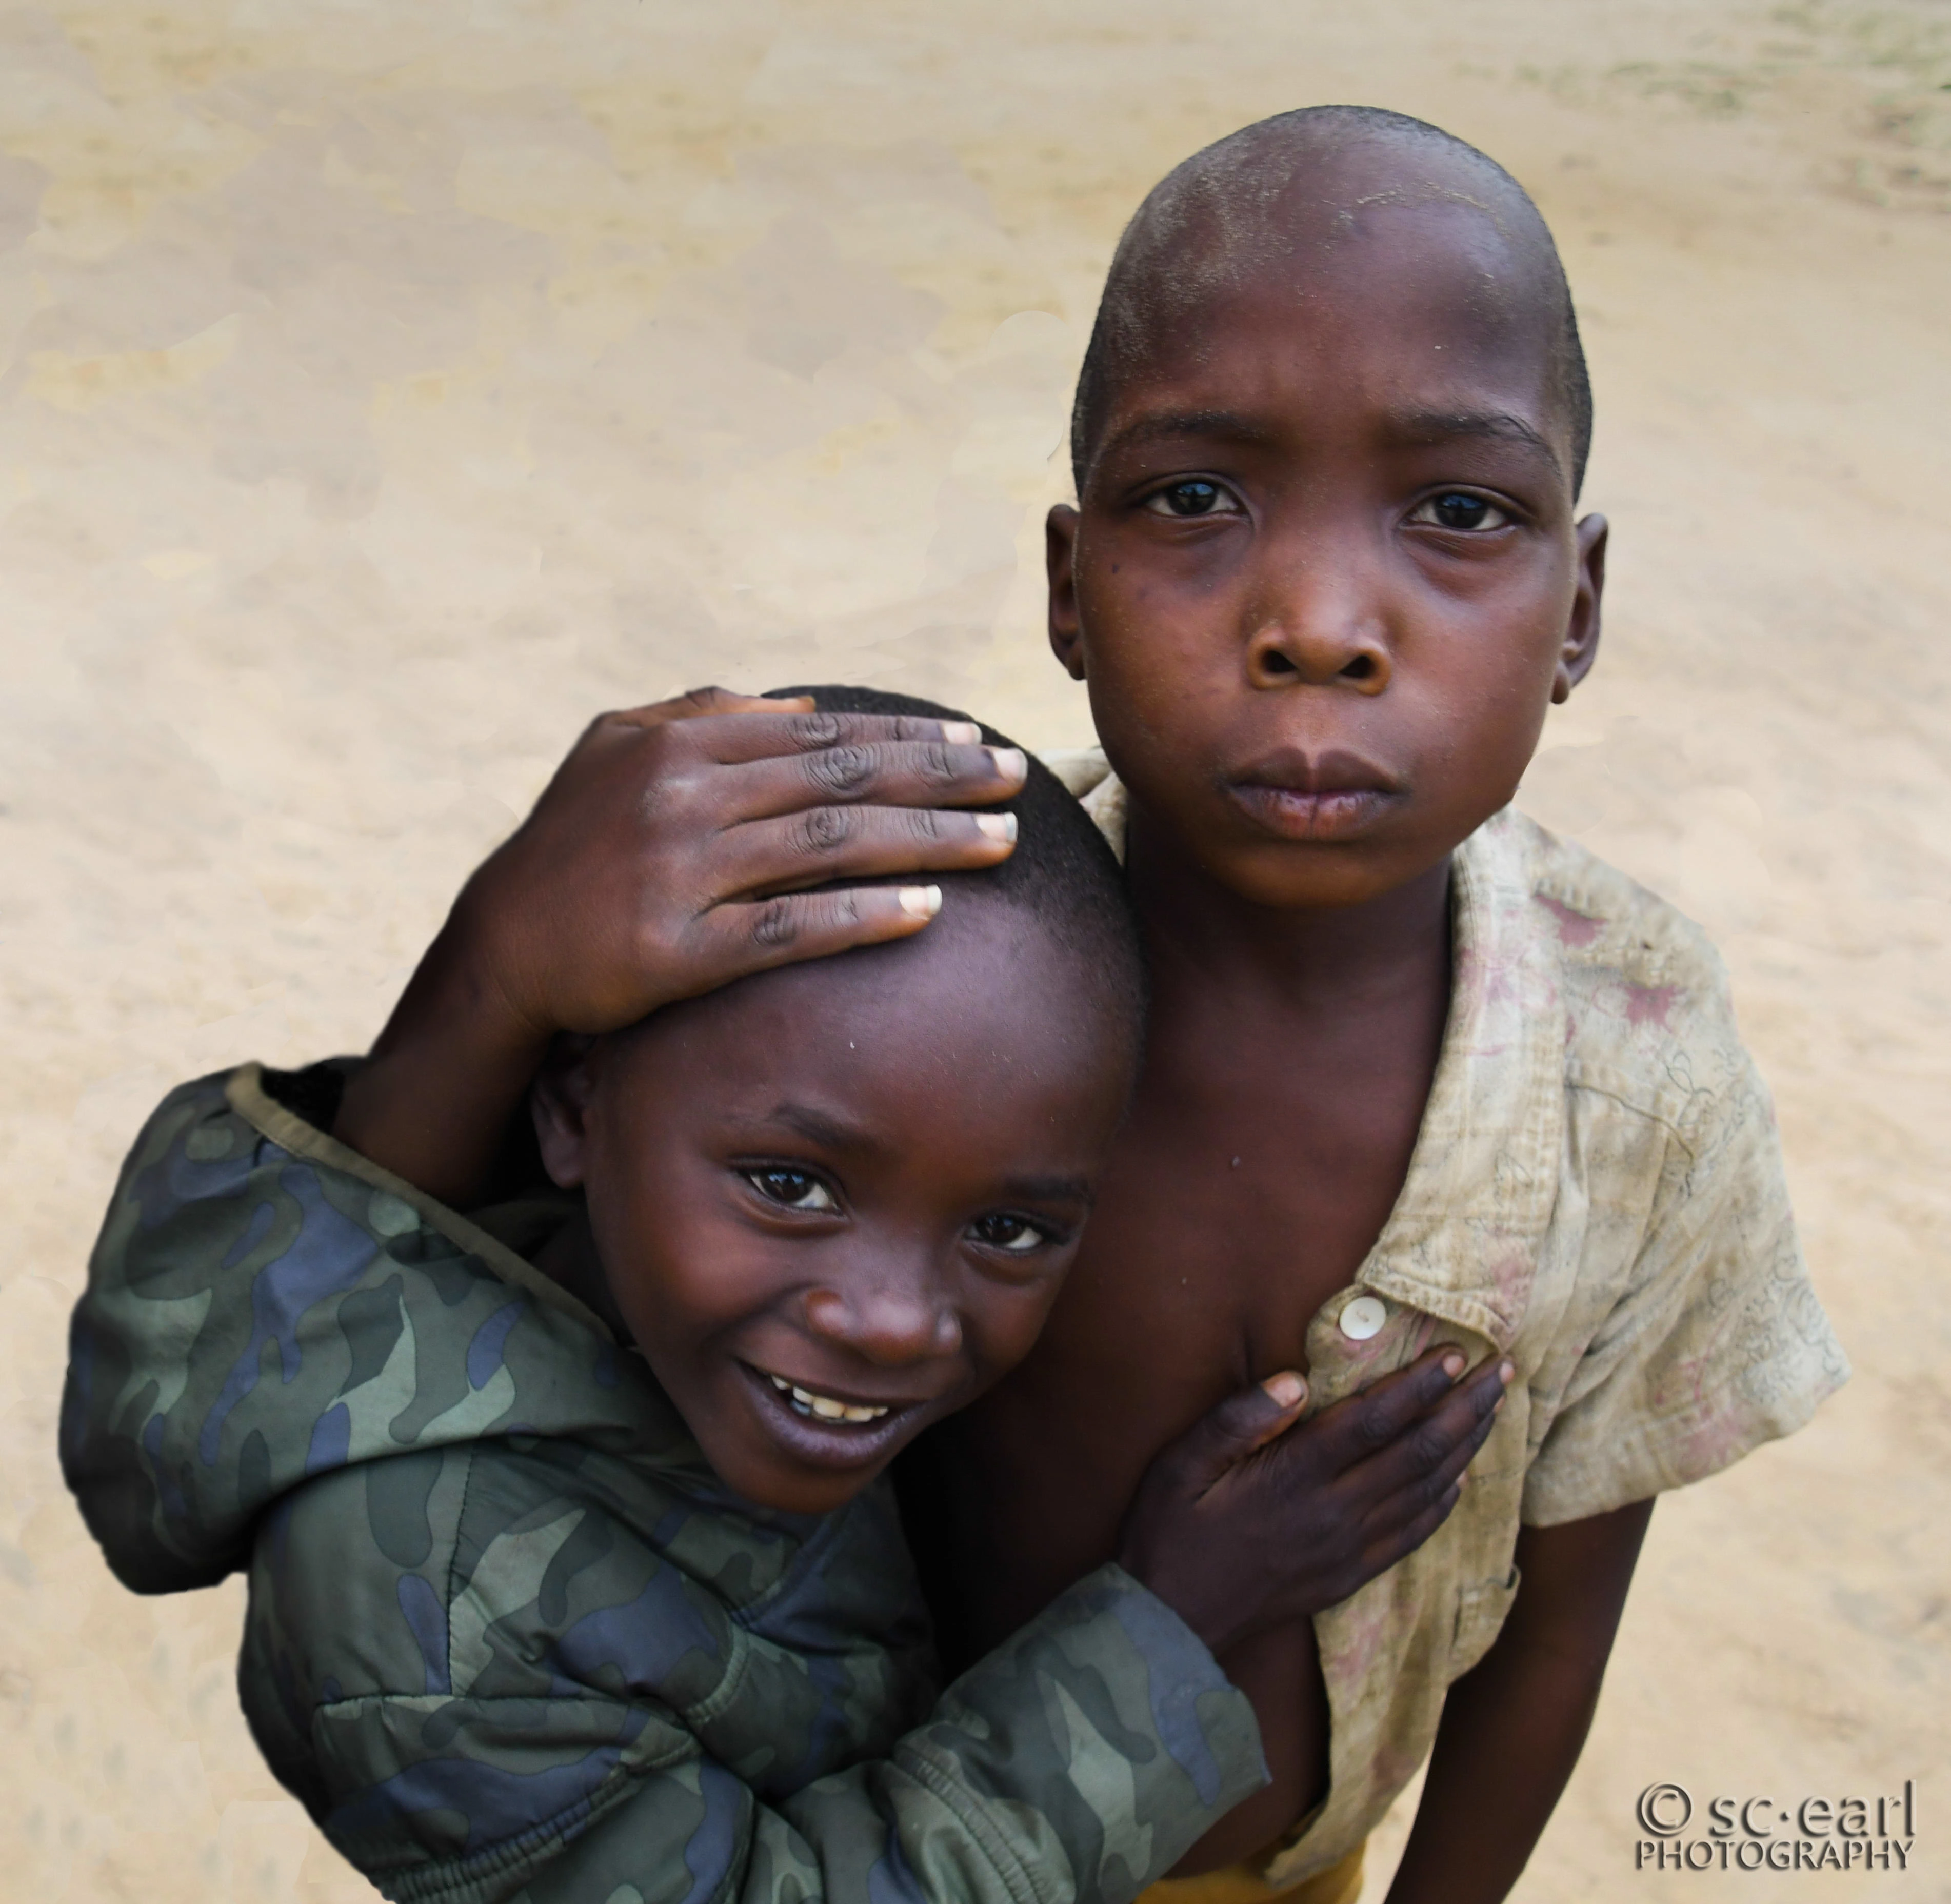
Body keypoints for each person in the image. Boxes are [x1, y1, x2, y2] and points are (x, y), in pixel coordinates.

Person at [67, 101, 1850, 1904]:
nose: (1316, 616)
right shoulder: (897, 944)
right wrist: (496, 969)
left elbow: (1557, 1612)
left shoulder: (1630, 1070)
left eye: (1457, 509)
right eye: (1196, 498)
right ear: (1069, 589)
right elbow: (346, 1344)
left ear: (1580, 600)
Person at [62, 686, 1510, 1904]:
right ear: (571, 1109)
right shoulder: (424, 1615)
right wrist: (1174, 1629)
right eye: (791, 1187)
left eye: (1007, 1225)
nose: (892, 1317)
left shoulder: (698, 1267)